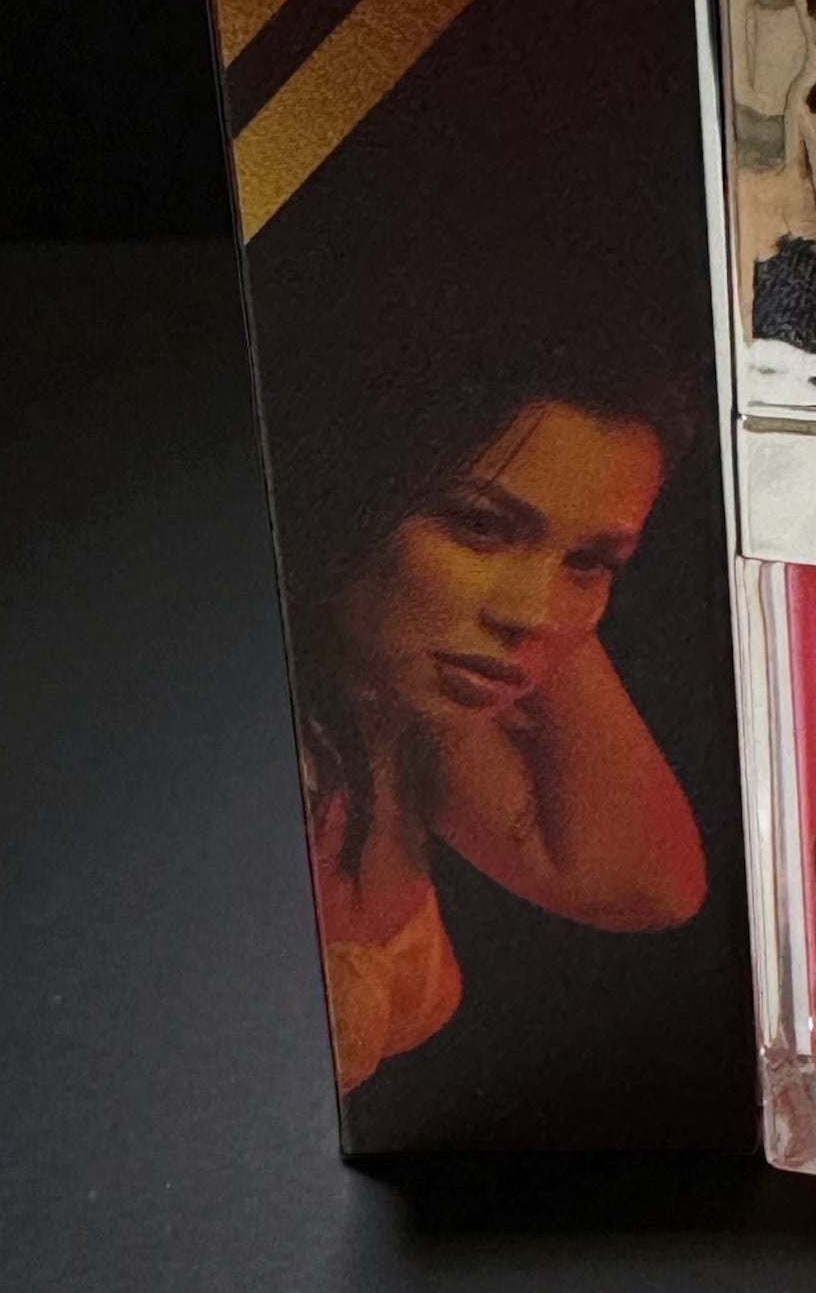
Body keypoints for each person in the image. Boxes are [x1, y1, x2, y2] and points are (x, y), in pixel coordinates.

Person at [282, 366, 708, 1097]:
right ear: (350, 484)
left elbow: (646, 885)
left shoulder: (393, 708)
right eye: (479, 525)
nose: (534, 614)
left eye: (591, 561)